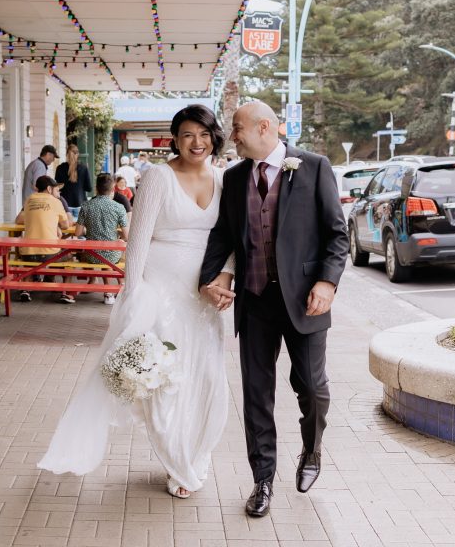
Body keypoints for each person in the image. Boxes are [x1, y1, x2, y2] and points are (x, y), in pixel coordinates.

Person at [38, 104, 232, 500]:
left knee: (208, 380)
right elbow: (138, 239)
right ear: (175, 140)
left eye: (204, 134)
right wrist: (132, 294)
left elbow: (230, 238)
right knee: (164, 382)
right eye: (188, 135)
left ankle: (197, 451)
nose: (197, 142)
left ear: (214, 137)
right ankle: (177, 463)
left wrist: (224, 279)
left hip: (205, 296)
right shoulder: (159, 177)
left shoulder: (223, 178)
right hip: (161, 291)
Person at [199, 101, 348, 518]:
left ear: (264, 127)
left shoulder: (314, 166)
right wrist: (211, 280)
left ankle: (312, 449)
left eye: (238, 127)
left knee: (313, 389)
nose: (233, 135)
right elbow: (224, 236)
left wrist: (327, 281)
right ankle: (262, 480)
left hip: (306, 300)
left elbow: (338, 235)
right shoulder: (233, 177)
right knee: (256, 396)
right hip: (255, 301)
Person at [14, 175, 75, 304]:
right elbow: (65, 225)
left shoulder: (29, 199)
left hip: (27, 254)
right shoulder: (56, 202)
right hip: (49, 254)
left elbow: (19, 220)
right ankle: (66, 292)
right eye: (56, 189)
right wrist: (55, 224)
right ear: (49, 188)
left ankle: (26, 289)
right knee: (69, 256)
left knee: (30, 253)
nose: (58, 192)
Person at [74, 174, 130, 305]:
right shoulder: (119, 207)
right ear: (113, 189)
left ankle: (108, 290)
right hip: (112, 254)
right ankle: (112, 292)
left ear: (96, 188)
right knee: (116, 253)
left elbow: (78, 232)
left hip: (91, 254)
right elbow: (127, 236)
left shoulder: (86, 206)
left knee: (100, 253)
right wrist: (118, 236)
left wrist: (91, 230)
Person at [55, 143, 92, 220]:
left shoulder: (60, 168)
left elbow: (58, 187)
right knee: (79, 231)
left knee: (65, 230)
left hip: (65, 205)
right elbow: (89, 188)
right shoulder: (84, 168)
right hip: (80, 204)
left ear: (66, 155)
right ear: (77, 154)